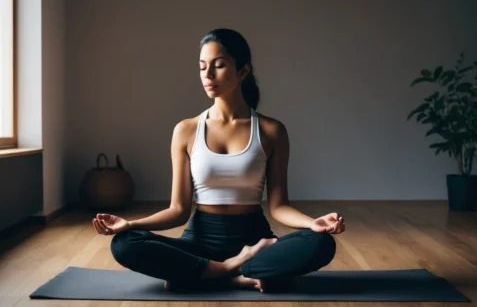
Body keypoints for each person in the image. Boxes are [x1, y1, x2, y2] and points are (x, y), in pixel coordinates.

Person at [92, 28, 346, 293]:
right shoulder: (186, 130)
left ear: (243, 71)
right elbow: (178, 210)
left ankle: (199, 275)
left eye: (219, 66)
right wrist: (130, 224)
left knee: (321, 243)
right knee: (124, 243)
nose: (208, 76)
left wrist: (312, 223)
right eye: (202, 68)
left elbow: (279, 207)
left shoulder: (271, 131)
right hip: (201, 243)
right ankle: (234, 271)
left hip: (256, 239)